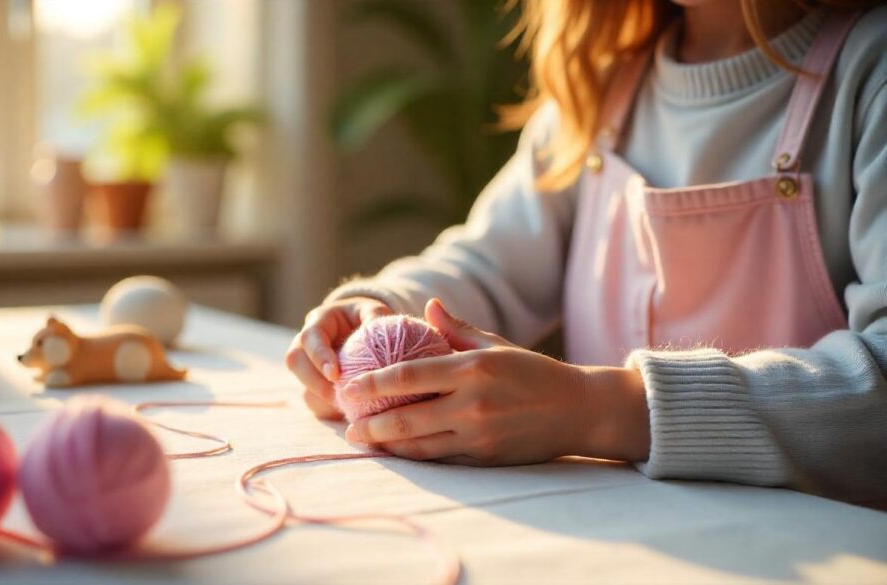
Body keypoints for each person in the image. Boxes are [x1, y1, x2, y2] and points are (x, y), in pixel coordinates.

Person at [285, 0, 887, 505]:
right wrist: (379, 306)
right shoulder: (599, 86)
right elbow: (489, 263)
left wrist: (596, 410)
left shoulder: (869, 73)